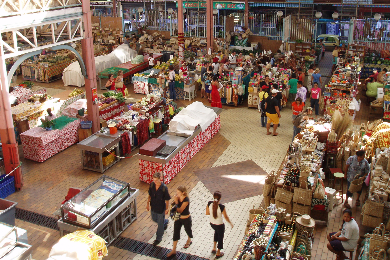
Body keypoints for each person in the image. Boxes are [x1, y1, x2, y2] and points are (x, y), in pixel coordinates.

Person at [167, 186, 193, 258]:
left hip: (186, 218)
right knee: (175, 233)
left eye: (178, 192)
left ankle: (189, 239)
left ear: (183, 193)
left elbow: (180, 210)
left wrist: (176, 202)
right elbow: (174, 206)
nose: (177, 193)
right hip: (178, 218)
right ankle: (174, 250)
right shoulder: (178, 197)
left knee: (188, 230)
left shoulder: (186, 200)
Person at [206, 191, 234, 259]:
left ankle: (214, 248)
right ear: (220, 198)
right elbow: (226, 217)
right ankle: (218, 253)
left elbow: (207, 213)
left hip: (212, 224)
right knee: (220, 238)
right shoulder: (221, 207)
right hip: (220, 225)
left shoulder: (209, 203)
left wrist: (213, 212)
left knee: (216, 232)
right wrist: (230, 223)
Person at [147, 172, 171, 246]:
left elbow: (167, 199)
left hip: (161, 208)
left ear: (160, 179)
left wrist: (167, 209)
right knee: (154, 219)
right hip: (153, 206)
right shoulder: (152, 185)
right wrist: (147, 204)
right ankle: (165, 222)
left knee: (160, 224)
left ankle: (158, 238)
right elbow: (150, 195)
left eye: (156, 180)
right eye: (154, 180)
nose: (155, 182)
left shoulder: (164, 188)